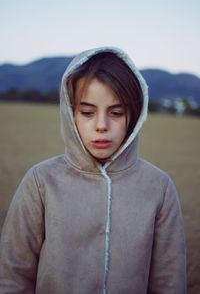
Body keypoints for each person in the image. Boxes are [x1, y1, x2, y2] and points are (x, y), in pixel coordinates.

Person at [0, 47, 187, 294]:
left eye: (117, 113)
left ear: (135, 115)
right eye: (87, 112)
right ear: (70, 113)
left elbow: (169, 283)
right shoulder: (40, 181)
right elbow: (13, 276)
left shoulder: (159, 187)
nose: (101, 125)